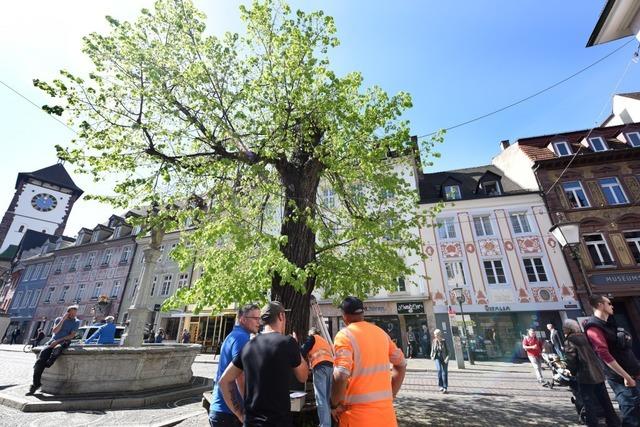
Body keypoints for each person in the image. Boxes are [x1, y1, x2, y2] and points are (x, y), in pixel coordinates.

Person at [219, 301, 308, 426]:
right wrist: (296, 348)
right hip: (278, 422)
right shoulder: (287, 342)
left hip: (251, 422)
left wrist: (239, 413)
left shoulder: (249, 345)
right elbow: (303, 376)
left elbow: (224, 380)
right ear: (281, 316)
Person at [331, 296, 406, 426]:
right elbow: (401, 364)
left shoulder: (344, 335)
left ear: (344, 316)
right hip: (386, 416)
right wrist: (391, 394)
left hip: (357, 417)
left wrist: (334, 404)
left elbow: (342, 373)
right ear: (363, 314)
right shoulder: (381, 334)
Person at [584, 295, 640, 426]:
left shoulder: (609, 323)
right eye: (608, 303)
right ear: (600, 305)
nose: (612, 305)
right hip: (623, 379)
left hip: (633, 373)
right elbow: (603, 353)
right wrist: (626, 376)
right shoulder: (593, 326)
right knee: (631, 414)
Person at [209, 304, 261, 427]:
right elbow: (240, 377)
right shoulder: (242, 338)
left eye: (260, 318)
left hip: (222, 411)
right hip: (229, 414)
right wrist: (246, 410)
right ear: (243, 319)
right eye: (255, 318)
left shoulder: (233, 335)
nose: (259, 322)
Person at [563, 319, 620, 427]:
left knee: (588, 401)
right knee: (605, 400)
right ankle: (614, 421)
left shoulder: (570, 340)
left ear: (568, 329)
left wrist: (572, 371)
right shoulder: (585, 336)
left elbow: (571, 359)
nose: (563, 330)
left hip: (585, 375)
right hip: (598, 372)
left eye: (564, 328)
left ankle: (592, 423)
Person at [26, 305, 81, 395]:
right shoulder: (59, 319)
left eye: (75, 313)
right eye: (71, 313)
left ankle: (49, 363)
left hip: (64, 341)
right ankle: (35, 384)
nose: (73, 315)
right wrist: (63, 320)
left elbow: (71, 336)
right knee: (39, 362)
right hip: (52, 341)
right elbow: (55, 331)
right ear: (67, 312)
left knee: (58, 348)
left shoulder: (76, 322)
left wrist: (58, 341)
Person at [301, 327, 334, 427]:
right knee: (326, 398)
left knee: (321, 398)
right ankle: (328, 423)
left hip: (320, 367)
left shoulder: (312, 338)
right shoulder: (324, 341)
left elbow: (302, 351)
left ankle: (325, 425)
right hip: (330, 368)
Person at [431, 329, 449, 393]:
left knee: (444, 373)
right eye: (435, 334)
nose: (435, 335)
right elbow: (433, 349)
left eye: (436, 334)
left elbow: (449, 351)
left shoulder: (444, 341)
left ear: (439, 334)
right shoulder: (434, 341)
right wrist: (432, 356)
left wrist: (447, 358)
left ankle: (445, 387)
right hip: (437, 357)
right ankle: (440, 386)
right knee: (439, 370)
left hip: (444, 358)